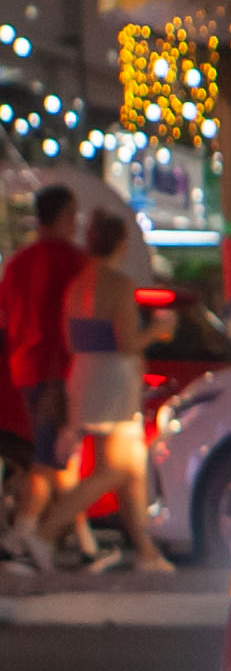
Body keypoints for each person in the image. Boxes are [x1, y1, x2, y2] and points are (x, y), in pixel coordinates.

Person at [24, 208, 166, 571]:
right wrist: (159, 330)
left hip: (85, 376)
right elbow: (129, 342)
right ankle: (45, 533)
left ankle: (147, 552)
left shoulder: (77, 285)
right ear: (121, 244)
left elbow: (71, 339)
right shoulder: (118, 284)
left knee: (128, 467)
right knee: (118, 469)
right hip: (115, 381)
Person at [4, 184, 85, 573]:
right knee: (48, 459)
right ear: (64, 216)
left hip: (21, 370)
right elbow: (64, 324)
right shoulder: (71, 261)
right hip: (56, 373)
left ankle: (83, 542)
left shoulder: (18, 263)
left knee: (56, 458)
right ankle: (22, 535)